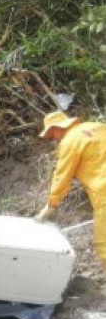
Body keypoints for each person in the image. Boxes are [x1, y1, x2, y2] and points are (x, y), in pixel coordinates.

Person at [35, 111, 106, 267]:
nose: (53, 137)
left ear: (58, 127)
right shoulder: (97, 126)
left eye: (51, 133)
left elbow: (62, 175)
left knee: (104, 243)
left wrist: (51, 204)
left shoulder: (70, 141)